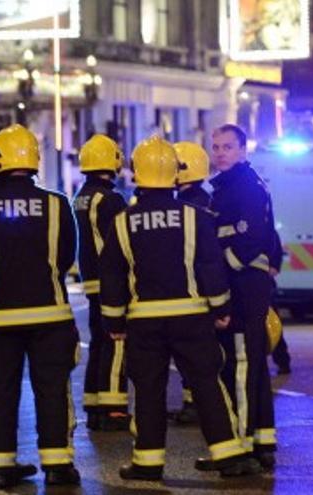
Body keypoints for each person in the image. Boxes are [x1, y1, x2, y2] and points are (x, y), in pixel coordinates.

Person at [100, 136, 261, 481]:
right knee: (206, 383)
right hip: (191, 317)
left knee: (148, 390)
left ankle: (148, 461)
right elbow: (210, 266)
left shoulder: (122, 222)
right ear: (174, 173)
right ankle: (228, 454)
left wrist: (113, 320)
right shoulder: (195, 217)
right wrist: (221, 307)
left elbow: (113, 274)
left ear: (136, 174)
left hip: (144, 321)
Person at [0, 124, 81, 488]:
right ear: (34, 157)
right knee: (52, 389)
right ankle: (58, 465)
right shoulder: (57, 203)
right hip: (50, 314)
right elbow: (66, 256)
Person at [207, 124, 278, 470]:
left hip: (242, 285)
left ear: (243, 150)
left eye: (228, 147)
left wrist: (221, 267)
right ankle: (262, 440)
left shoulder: (243, 186)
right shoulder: (234, 185)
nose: (220, 153)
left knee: (241, 364)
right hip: (250, 282)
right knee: (253, 364)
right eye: (216, 147)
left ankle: (243, 442)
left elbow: (250, 239)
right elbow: (269, 239)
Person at [72, 134, 130, 431]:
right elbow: (121, 243)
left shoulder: (82, 195)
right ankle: (113, 407)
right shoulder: (110, 199)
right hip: (111, 281)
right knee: (116, 340)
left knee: (98, 340)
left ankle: (94, 403)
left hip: (91, 279)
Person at [172, 141, 213, 424]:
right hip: (198, 286)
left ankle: (195, 405)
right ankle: (192, 402)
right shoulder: (204, 199)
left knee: (193, 353)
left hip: (192, 286)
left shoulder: (188, 205)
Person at [267, 231, 292, 375]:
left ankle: (283, 361)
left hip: (264, 284)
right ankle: (282, 361)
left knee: (272, 325)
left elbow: (275, 247)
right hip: (260, 282)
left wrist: (274, 267)